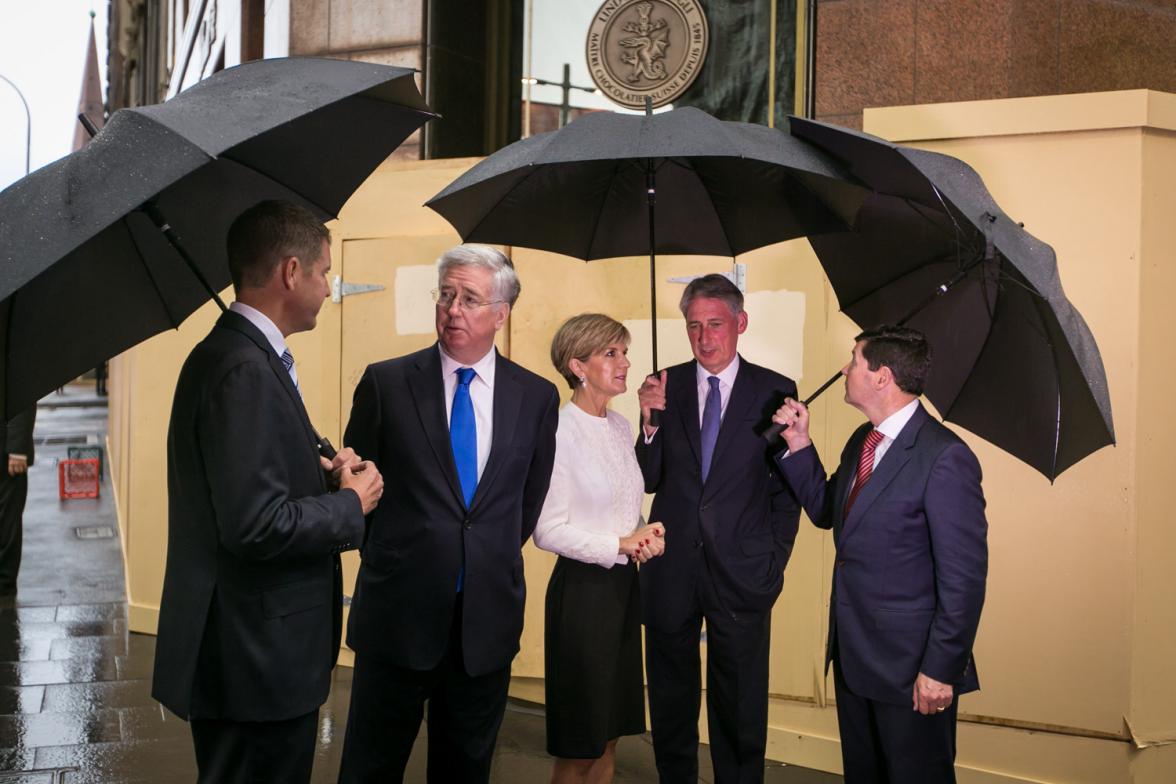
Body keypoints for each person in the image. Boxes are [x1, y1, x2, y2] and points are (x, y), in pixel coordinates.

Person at [152, 200, 384, 784]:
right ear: (290, 272)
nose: (329, 287)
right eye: (324, 271)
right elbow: (255, 523)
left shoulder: (243, 358)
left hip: (254, 653)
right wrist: (348, 504)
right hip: (256, 658)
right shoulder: (243, 370)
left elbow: (248, 483)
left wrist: (324, 474)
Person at [339, 244, 560, 783]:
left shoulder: (536, 398)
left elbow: (525, 504)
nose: (453, 309)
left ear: (501, 313)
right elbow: (359, 490)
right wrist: (402, 555)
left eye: (469, 298)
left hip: (484, 625)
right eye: (446, 295)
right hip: (397, 616)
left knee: (466, 769)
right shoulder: (387, 384)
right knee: (371, 767)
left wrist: (481, 553)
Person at [771, 325, 988, 783]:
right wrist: (799, 443)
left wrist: (940, 670)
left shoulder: (945, 457)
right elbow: (828, 511)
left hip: (912, 672)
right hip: (854, 659)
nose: (846, 370)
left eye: (854, 361)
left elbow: (963, 580)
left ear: (882, 377)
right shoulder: (861, 441)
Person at [635, 273, 801, 783]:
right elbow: (648, 476)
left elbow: (786, 492)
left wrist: (772, 562)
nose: (704, 338)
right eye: (693, 326)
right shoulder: (665, 384)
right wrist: (648, 421)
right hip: (671, 569)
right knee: (670, 700)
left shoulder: (776, 391)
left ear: (740, 323)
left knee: (740, 703)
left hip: (744, 572)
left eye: (715, 324)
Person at [534, 313, 667, 784]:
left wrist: (644, 533)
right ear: (578, 365)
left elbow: (624, 507)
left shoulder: (619, 425)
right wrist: (620, 543)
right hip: (582, 598)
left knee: (611, 734)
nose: (625, 362)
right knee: (581, 745)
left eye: (624, 351)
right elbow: (547, 530)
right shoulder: (556, 431)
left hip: (623, 592)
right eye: (611, 353)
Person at [0, 408, 36, 596]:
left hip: (7, 452)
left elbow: (22, 394)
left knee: (7, 517)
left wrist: (17, 449)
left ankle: (4, 584)